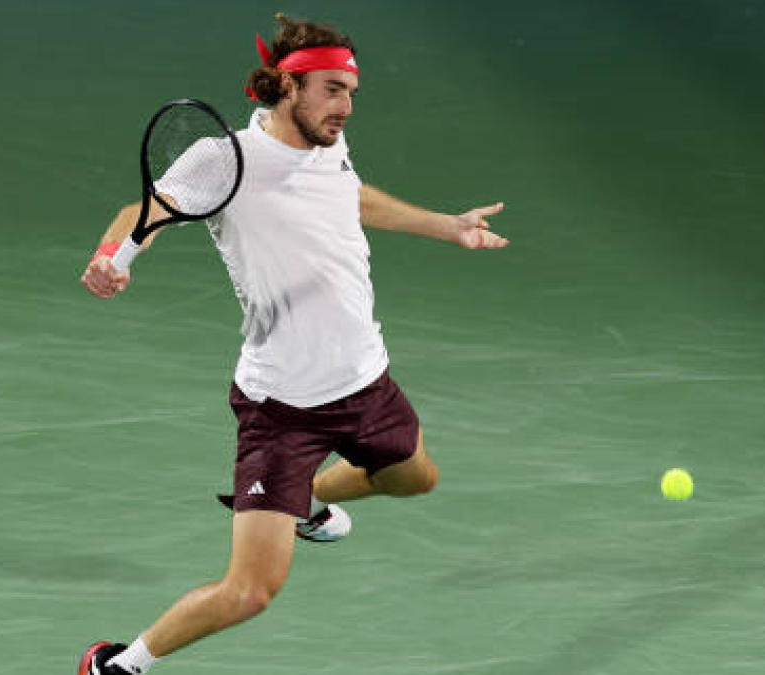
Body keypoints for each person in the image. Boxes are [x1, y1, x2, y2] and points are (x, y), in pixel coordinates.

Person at [77, 13, 507, 675]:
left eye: (352, 93)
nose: (346, 106)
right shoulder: (224, 161)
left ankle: (304, 502)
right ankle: (118, 663)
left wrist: (446, 227)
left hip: (367, 381)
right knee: (250, 592)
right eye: (333, 89)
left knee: (415, 476)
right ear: (287, 85)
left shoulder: (329, 146)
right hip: (283, 406)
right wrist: (115, 257)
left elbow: (350, 197)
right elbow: (144, 213)